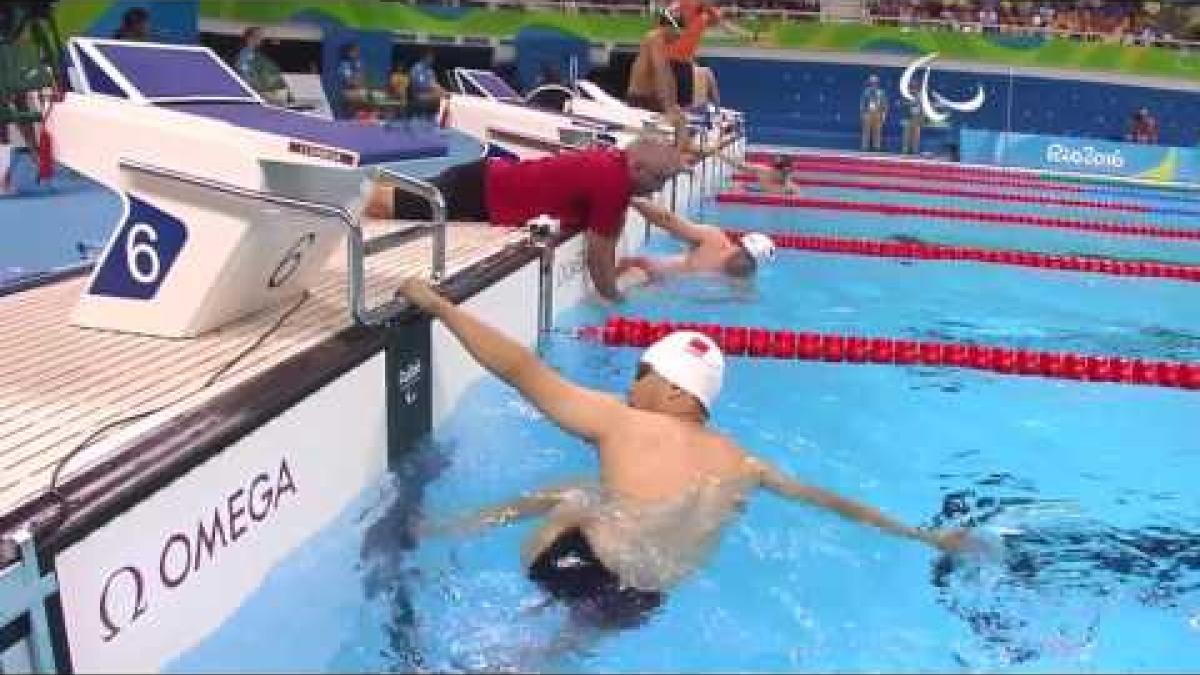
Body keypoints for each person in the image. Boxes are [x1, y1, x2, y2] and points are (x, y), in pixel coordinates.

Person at [398, 277, 971, 636]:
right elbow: (833, 503)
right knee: (553, 645)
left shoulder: (623, 418)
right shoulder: (746, 462)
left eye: (640, 373)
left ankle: (445, 529)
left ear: (674, 391)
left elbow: (522, 370)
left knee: (574, 490)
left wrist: (440, 306)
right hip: (644, 601)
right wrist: (927, 538)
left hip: (580, 558)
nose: (630, 384)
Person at [366, 137, 685, 301]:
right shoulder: (613, 183)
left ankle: (352, 192)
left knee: (397, 199)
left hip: (487, 183)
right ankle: (336, 196)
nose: (660, 188)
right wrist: (614, 300)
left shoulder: (616, 169)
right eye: (659, 179)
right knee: (385, 206)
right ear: (638, 169)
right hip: (480, 190)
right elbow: (597, 256)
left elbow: (607, 233)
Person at [617, 197, 776, 284]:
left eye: (751, 265)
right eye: (747, 257)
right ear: (741, 245)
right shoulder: (714, 239)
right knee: (632, 278)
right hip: (645, 271)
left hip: (661, 288)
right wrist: (632, 200)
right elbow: (668, 220)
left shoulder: (741, 281)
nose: (745, 265)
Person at [665, 0, 752, 113]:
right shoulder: (685, 3)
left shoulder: (709, 12)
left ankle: (713, 114)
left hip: (685, 62)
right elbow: (668, 13)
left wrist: (750, 35)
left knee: (684, 104)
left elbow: (725, 26)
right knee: (668, 100)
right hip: (668, 60)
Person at [627, 9, 687, 144]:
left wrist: (673, 104)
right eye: (678, 33)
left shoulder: (665, 44)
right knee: (659, 135)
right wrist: (667, 109)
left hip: (651, 99)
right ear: (668, 27)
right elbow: (660, 72)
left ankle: (678, 157)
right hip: (642, 99)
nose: (679, 37)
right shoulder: (655, 38)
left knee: (680, 120)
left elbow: (669, 76)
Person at [235, 27, 291, 106]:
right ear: (250, 38)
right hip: (257, 93)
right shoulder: (245, 54)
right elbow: (244, 74)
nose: (261, 39)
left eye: (261, 36)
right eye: (259, 36)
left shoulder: (256, 54)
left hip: (266, 92)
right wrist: (261, 92)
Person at [407, 48, 445, 125]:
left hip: (428, 94)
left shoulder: (430, 71)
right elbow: (418, 84)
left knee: (442, 96)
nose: (432, 60)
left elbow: (434, 83)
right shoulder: (416, 68)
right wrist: (432, 88)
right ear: (424, 57)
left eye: (432, 58)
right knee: (437, 96)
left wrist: (443, 91)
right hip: (417, 94)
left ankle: (436, 119)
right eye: (430, 58)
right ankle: (421, 118)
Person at [720, 153, 792, 193]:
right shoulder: (788, 186)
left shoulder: (762, 170)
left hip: (759, 192)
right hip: (760, 192)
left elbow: (739, 166)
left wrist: (722, 156)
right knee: (741, 187)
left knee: (737, 187)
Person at [337, 42, 368, 118]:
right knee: (348, 112)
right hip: (348, 91)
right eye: (355, 51)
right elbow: (348, 81)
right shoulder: (344, 64)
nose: (357, 53)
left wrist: (359, 82)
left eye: (357, 51)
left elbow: (362, 77)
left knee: (359, 112)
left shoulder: (359, 63)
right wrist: (355, 82)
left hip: (358, 91)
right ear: (349, 52)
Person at [860, 74, 888, 152]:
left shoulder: (881, 92)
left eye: (875, 82)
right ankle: (865, 147)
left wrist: (884, 114)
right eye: (872, 82)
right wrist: (863, 114)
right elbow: (862, 103)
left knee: (877, 131)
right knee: (866, 131)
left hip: (878, 113)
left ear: (877, 83)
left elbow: (884, 104)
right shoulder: (866, 92)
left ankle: (877, 147)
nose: (873, 84)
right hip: (868, 113)